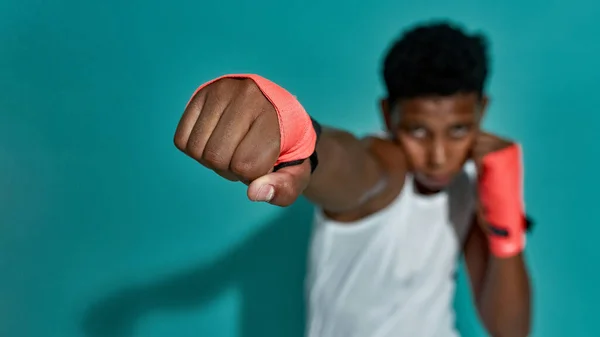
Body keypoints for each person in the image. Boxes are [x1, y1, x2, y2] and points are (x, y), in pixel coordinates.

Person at [173, 21, 532, 337]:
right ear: (388, 118)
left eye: (457, 130)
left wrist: (505, 220)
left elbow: (510, 330)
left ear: (482, 111)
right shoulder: (386, 165)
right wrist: (304, 138)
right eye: (418, 131)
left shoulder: (469, 181)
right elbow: (352, 164)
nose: (438, 156)